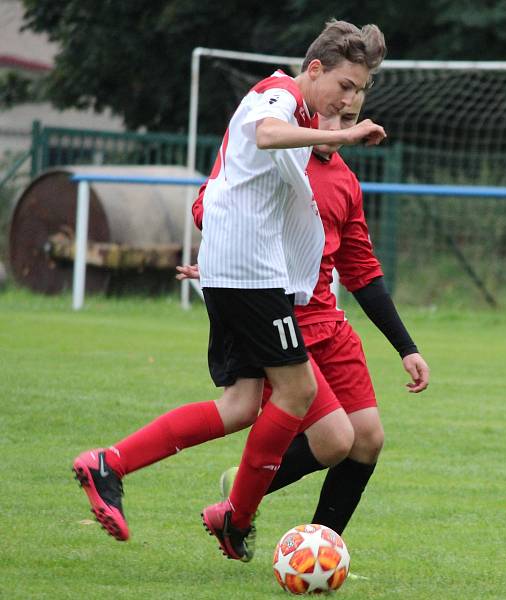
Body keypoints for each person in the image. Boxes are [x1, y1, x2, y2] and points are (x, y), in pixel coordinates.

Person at [72, 20, 387, 561]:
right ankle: (236, 516)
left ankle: (113, 464)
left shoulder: (301, 113)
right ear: (314, 69)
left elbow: (248, 194)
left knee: (241, 404)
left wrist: (217, 256)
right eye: (346, 86)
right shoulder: (279, 94)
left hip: (242, 271)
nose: (350, 99)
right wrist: (340, 134)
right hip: (250, 277)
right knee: (299, 395)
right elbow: (265, 135)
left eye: (360, 91)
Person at [179, 91, 429, 558]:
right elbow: (208, 204)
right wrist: (225, 256)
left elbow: (363, 272)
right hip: (279, 320)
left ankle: (317, 551)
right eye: (331, 114)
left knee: (368, 439)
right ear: (311, 107)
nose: (337, 126)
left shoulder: (346, 183)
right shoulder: (274, 156)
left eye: (348, 120)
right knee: (334, 441)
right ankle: (242, 496)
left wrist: (406, 347)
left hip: (330, 327)